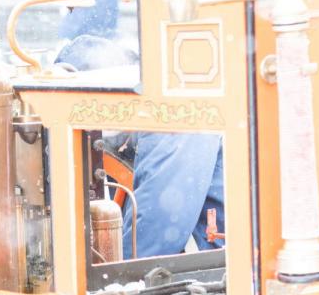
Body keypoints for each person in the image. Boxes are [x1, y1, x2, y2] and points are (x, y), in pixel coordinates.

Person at [56, 34, 224, 260]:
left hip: (224, 268)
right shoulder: (135, 127)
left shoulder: (173, 116)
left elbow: (160, 226)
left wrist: (113, 275)